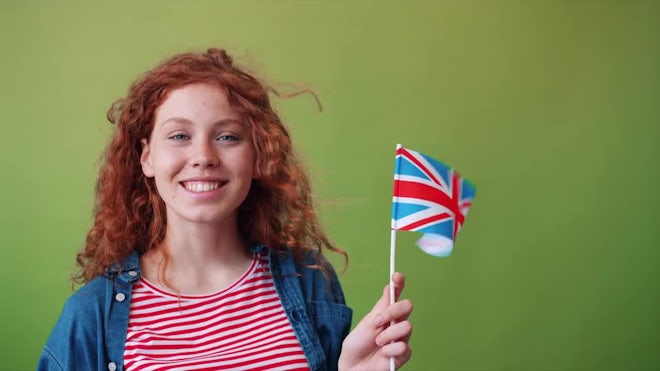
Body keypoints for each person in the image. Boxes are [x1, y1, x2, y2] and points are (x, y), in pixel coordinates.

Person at [38, 48, 413, 371]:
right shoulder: (91, 316)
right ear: (147, 157)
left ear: (257, 157)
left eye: (227, 136)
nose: (203, 157)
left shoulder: (311, 281)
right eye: (179, 136)